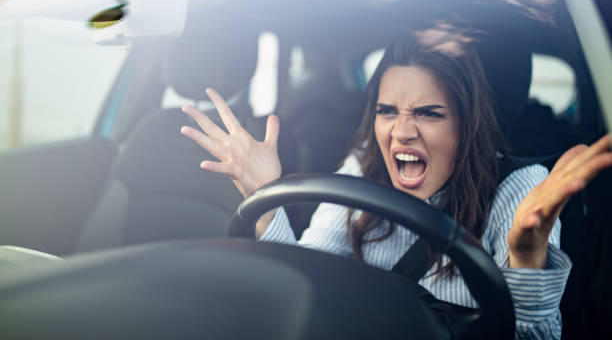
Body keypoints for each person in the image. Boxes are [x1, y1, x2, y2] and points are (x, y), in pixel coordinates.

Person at [180, 35, 612, 339]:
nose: (400, 132)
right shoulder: (363, 166)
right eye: (387, 110)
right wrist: (267, 197)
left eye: (427, 113)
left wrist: (527, 257)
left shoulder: (521, 188)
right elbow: (307, 282)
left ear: (467, 126)